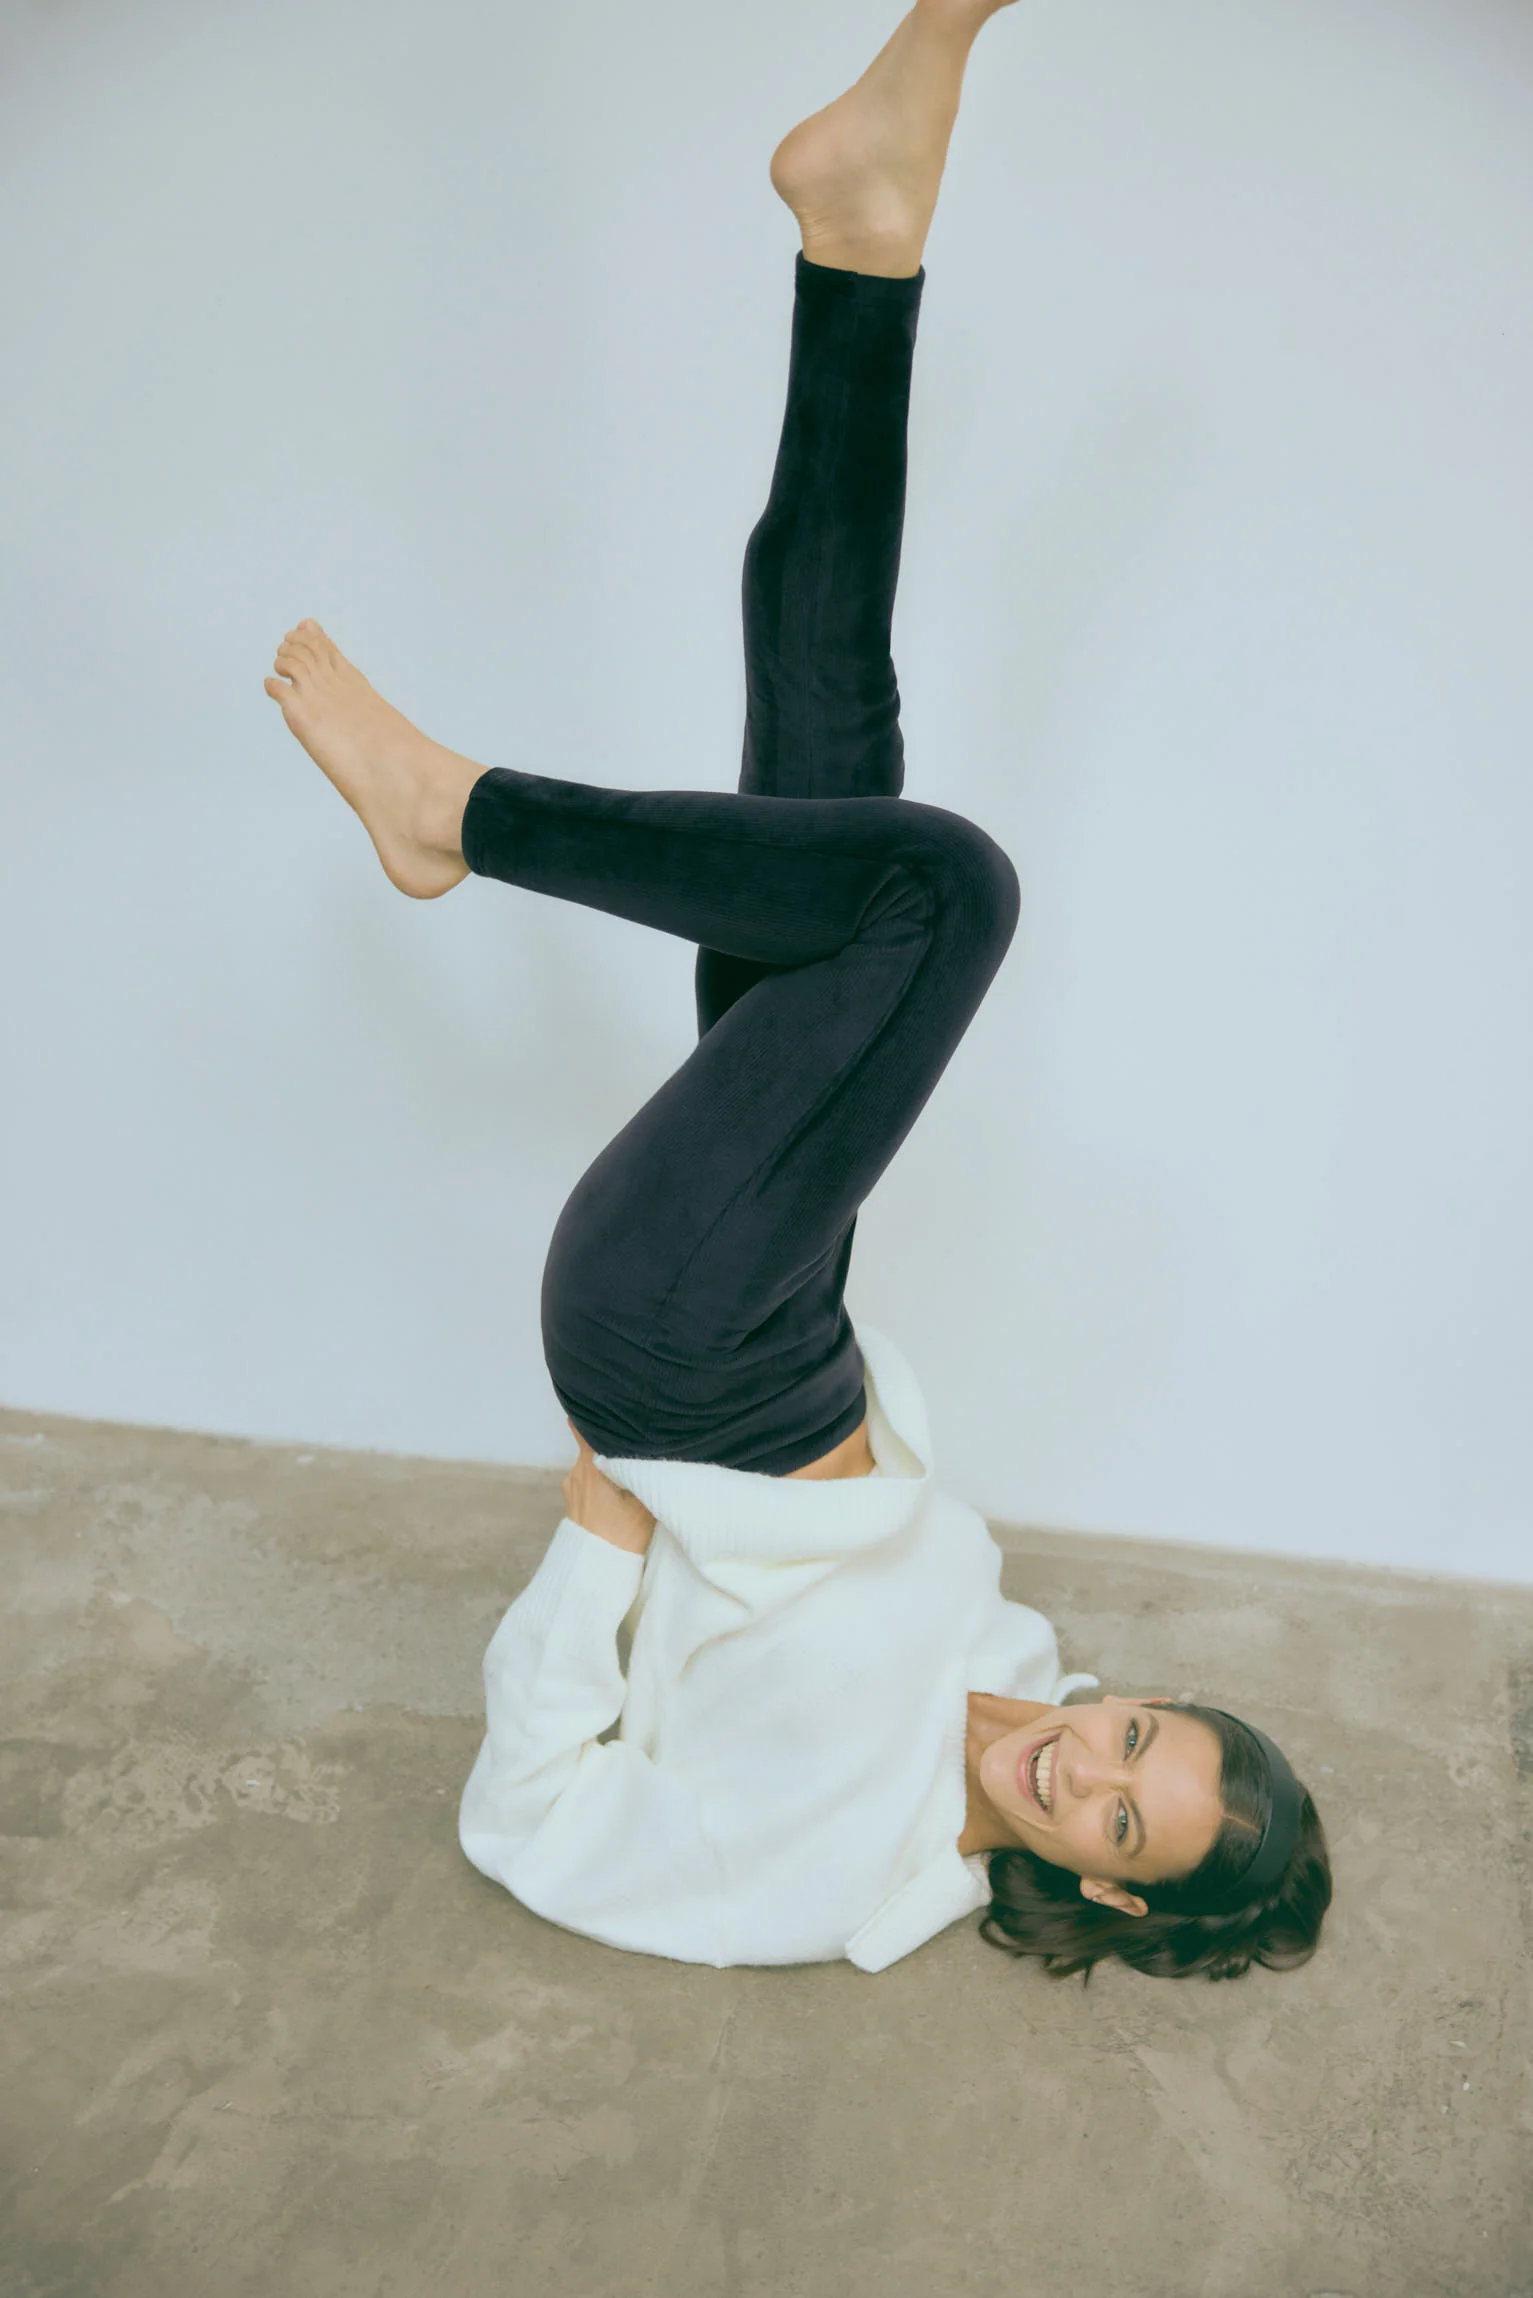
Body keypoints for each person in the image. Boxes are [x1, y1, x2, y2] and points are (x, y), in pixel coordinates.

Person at [264, 0, 1332, 1983]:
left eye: (1116, 1816)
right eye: (1138, 1737)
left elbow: (533, 1814)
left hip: (668, 1348)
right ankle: (861, 243)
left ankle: (454, 815)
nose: (1082, 1761)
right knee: (835, 716)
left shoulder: (845, 1865)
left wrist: (600, 1541)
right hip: (790, 1313)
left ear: (1106, 1887)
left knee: (943, 890)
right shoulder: (1009, 1647)